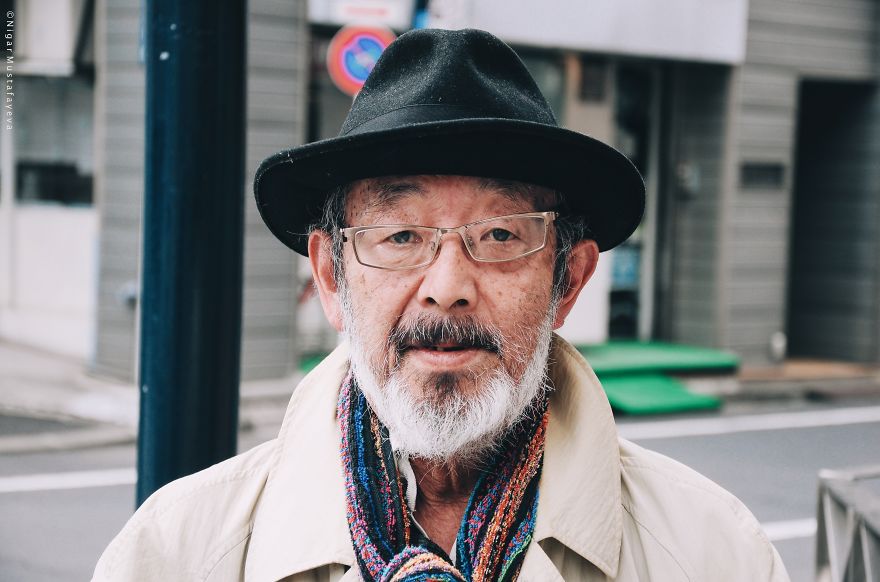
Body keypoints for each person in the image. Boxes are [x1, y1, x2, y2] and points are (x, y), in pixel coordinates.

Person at [93, 28, 790, 581]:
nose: (447, 284)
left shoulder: (712, 553)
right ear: (331, 279)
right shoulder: (177, 552)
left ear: (567, 283)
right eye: (400, 235)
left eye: (499, 234)